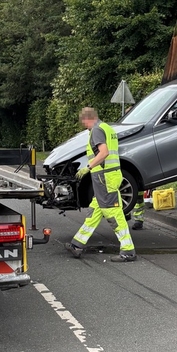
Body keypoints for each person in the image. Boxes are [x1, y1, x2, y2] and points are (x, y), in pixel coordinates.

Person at [65, 107, 137, 262]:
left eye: (83, 121)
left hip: (105, 178)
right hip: (108, 177)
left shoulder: (97, 130)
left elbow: (104, 153)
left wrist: (88, 167)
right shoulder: (107, 128)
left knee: (113, 214)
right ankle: (77, 244)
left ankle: (128, 251)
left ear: (88, 118)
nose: (83, 124)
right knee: (95, 211)